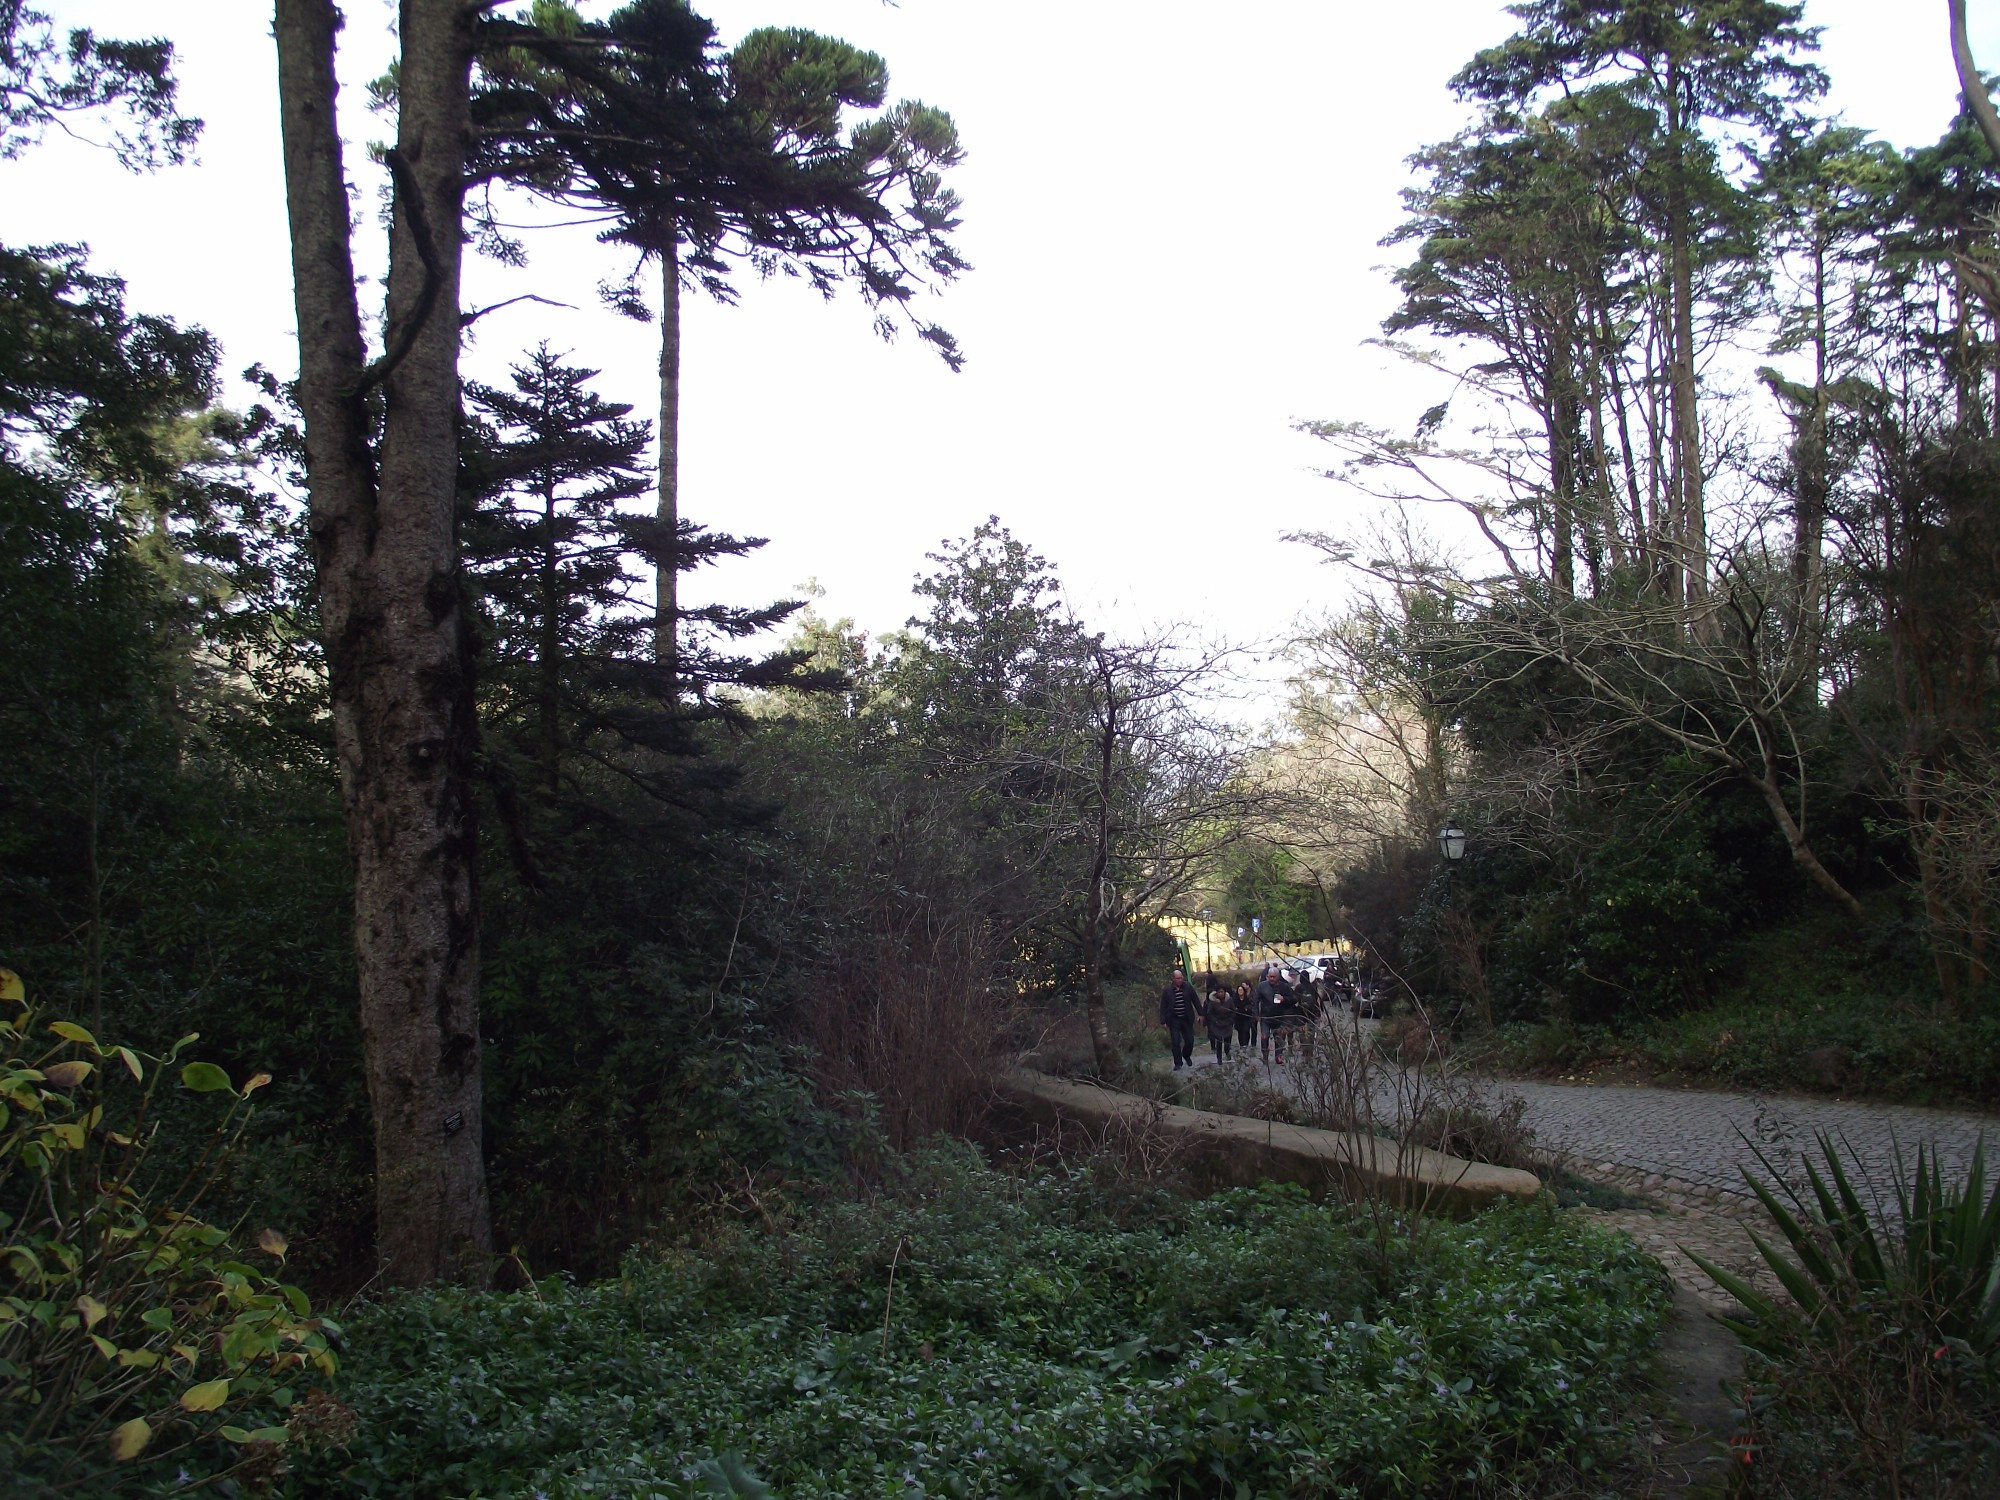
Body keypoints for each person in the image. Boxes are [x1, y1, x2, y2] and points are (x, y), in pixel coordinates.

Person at [1253, 966, 1297, 1064]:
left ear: (1278, 977)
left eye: (1274, 977)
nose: (1272, 979)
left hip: (1280, 1017)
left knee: (1279, 1038)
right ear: (1267, 976)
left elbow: (1294, 999)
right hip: (1265, 1017)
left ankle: (1278, 1056)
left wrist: (1284, 999)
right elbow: (1255, 1001)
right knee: (1265, 1037)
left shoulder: (1284, 986)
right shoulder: (1262, 986)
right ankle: (1265, 1056)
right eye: (1270, 977)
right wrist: (1256, 1014)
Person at [1159, 967, 1199, 1070]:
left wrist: (1201, 1013)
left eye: (1181, 978)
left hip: (1186, 1018)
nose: (1180, 980)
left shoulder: (1188, 987)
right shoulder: (1167, 991)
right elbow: (1163, 1006)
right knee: (1176, 1042)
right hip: (1174, 1019)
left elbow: (1195, 1000)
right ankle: (1178, 1063)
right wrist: (1163, 1021)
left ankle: (1186, 1055)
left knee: (1190, 1040)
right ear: (1173, 979)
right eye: (1178, 978)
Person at [1203, 979, 1235, 1063]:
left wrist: (1231, 1020)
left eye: (1222, 992)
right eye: (1219, 992)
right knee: (1219, 1042)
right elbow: (1209, 1013)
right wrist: (1215, 1021)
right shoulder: (1213, 1002)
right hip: (1217, 1024)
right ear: (1216, 993)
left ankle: (1227, 1053)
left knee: (1227, 1042)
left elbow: (1233, 1011)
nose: (1221, 993)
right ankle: (1219, 1058)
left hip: (1227, 1023)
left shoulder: (1229, 1000)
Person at [1234, 980, 1256, 1049]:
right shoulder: (1235, 1000)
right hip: (1238, 1019)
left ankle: (1246, 1044)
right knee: (1240, 1032)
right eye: (1239, 990)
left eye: (1241, 990)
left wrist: (1247, 1009)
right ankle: (1241, 1045)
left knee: (1246, 1031)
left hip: (1246, 1018)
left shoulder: (1247, 999)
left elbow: (1251, 1006)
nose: (1240, 991)